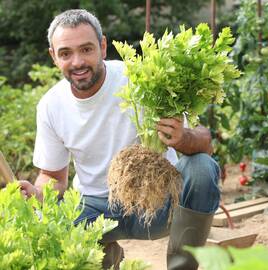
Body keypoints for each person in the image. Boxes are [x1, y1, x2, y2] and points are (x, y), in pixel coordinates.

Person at [19, 9, 221, 270]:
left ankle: (182, 267)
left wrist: (182, 138)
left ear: (103, 47)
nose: (78, 61)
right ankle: (104, 254)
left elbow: (205, 142)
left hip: (158, 203)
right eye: (66, 53)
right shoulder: (51, 105)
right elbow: (54, 177)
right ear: (53, 57)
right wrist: (38, 193)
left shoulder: (140, 79)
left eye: (87, 49)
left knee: (203, 167)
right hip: (94, 211)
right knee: (48, 223)